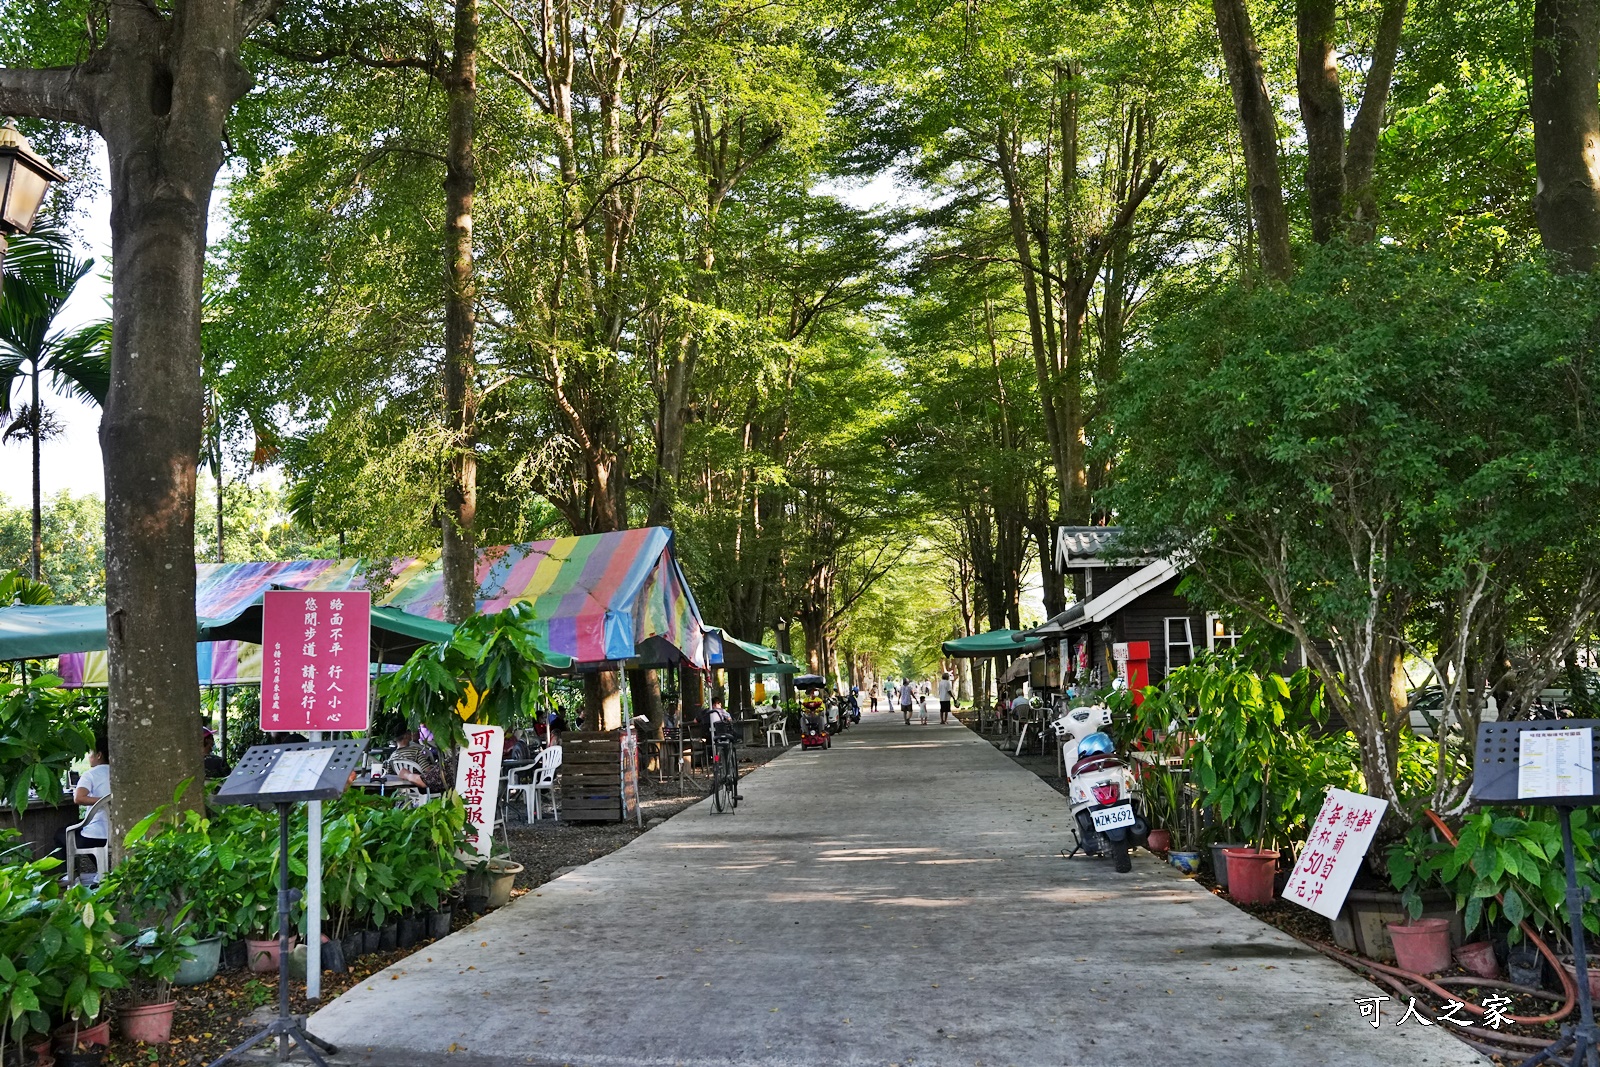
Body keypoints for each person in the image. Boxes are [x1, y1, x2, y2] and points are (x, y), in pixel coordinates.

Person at [56, 735, 110, 885]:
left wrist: (100, 801)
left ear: (99, 755)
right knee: (78, 824)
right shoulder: (120, 774)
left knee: (62, 833)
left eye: (91, 753)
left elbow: (79, 798)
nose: (89, 757)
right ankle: (102, 872)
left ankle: (71, 874)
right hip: (116, 830)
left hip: (95, 836)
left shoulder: (90, 774)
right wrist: (110, 800)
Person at [391, 728, 446, 793]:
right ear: (406, 735)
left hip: (403, 790)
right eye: (409, 732)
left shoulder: (392, 756)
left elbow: (390, 774)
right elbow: (427, 770)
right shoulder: (416, 751)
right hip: (420, 787)